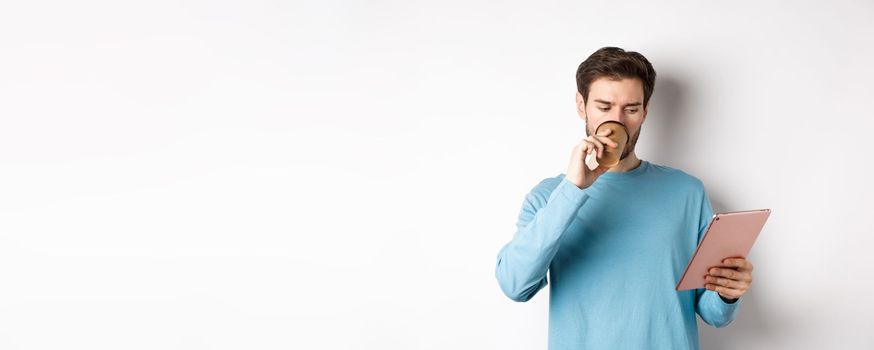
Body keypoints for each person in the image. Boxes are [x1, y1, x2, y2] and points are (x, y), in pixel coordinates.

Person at [494, 47, 754, 350]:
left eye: (630, 109)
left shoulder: (687, 192)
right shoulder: (549, 196)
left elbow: (713, 314)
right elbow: (515, 285)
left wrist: (727, 292)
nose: (617, 121)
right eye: (604, 107)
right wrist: (573, 188)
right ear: (581, 105)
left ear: (645, 111)